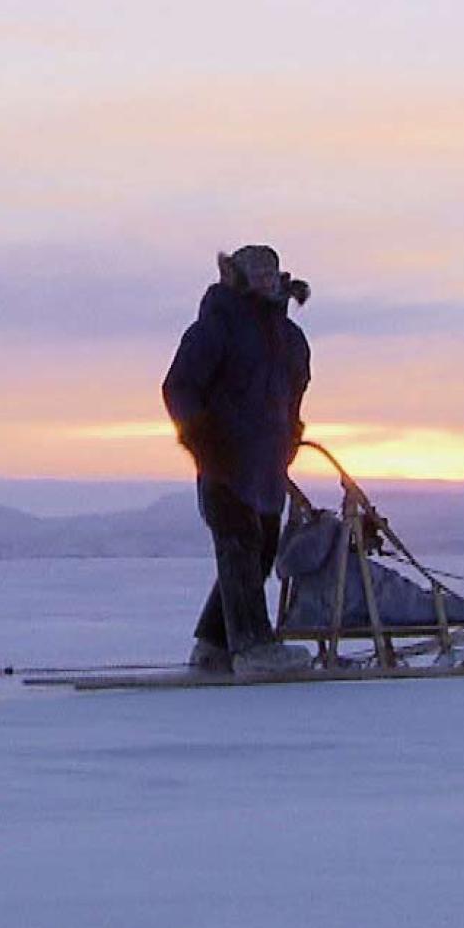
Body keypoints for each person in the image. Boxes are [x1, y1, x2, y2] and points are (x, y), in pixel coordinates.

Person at [162, 244, 313, 674]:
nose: (265, 279)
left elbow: (294, 395)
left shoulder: (290, 339)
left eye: (271, 271)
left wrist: (291, 437)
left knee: (259, 553)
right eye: (255, 272)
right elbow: (179, 387)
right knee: (238, 549)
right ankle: (252, 648)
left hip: (266, 467)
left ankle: (213, 645)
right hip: (224, 465)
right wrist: (205, 443)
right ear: (237, 276)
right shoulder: (216, 328)